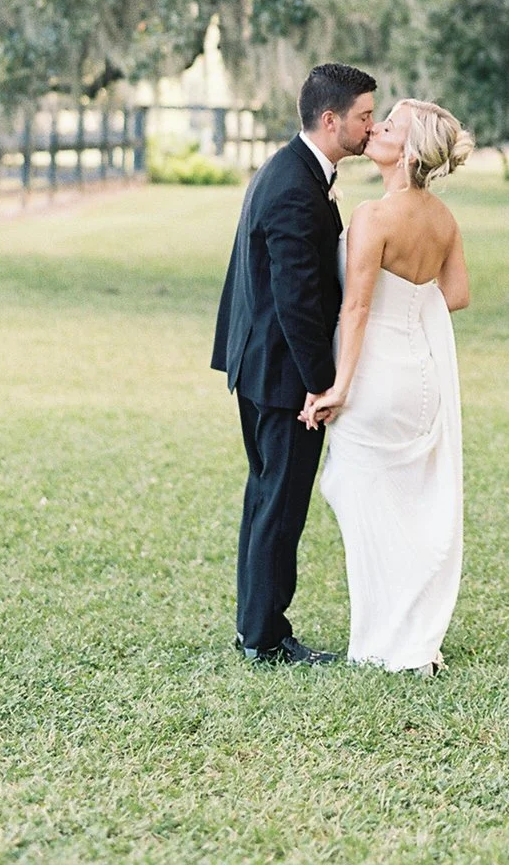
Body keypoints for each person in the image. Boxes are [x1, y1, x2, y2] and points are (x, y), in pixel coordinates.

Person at [212, 62, 377, 666]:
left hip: (262, 367)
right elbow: (297, 301)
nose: (371, 126)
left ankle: (253, 625)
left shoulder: (297, 171)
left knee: (267, 498)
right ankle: (265, 638)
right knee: (280, 504)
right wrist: (322, 386)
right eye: (364, 116)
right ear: (331, 120)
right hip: (281, 377)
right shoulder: (292, 186)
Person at [306, 98, 476, 675]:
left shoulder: (373, 216)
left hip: (375, 374)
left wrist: (339, 387)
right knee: (404, 501)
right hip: (419, 374)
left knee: (364, 500)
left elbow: (355, 308)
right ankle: (412, 637)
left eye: (389, 125)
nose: (374, 127)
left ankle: (385, 641)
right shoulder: (443, 220)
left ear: (405, 150)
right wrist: (409, 302)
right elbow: (454, 296)